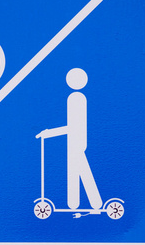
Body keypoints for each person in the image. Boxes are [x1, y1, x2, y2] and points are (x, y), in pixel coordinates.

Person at [36, 68, 102, 210]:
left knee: (78, 170)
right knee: (80, 170)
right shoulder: (76, 98)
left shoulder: (75, 99)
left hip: (76, 141)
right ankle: (84, 204)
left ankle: (84, 204)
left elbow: (74, 125)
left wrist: (49, 133)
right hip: (76, 140)